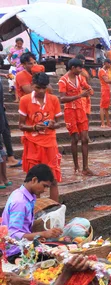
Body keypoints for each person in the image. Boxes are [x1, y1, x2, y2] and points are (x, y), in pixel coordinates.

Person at [1, 164, 62, 263]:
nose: (45, 190)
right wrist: (44, 234)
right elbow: (13, 235)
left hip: (26, 244)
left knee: (64, 245)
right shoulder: (20, 202)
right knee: (62, 251)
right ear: (34, 180)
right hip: (17, 250)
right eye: (44, 186)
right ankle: (16, 260)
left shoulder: (26, 195)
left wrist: (39, 236)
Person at [18, 72, 62, 201]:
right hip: (33, 143)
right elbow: (21, 125)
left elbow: (59, 123)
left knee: (53, 179)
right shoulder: (25, 100)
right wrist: (34, 127)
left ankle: (54, 210)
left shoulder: (53, 99)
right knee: (35, 180)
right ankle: (34, 212)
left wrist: (53, 125)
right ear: (32, 85)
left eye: (44, 88)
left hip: (50, 142)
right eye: (38, 87)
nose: (41, 91)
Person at [58, 58, 94, 176]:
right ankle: (76, 166)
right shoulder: (63, 80)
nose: (81, 70)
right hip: (70, 111)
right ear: (73, 68)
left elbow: (87, 87)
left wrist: (89, 89)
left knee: (84, 138)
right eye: (79, 68)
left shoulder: (80, 78)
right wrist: (80, 95)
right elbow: (62, 99)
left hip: (80, 110)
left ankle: (85, 167)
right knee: (75, 138)